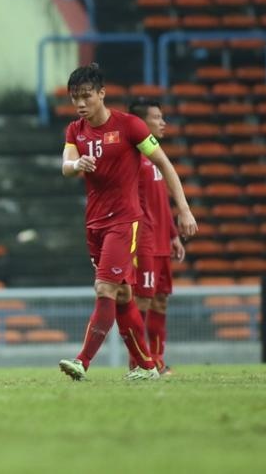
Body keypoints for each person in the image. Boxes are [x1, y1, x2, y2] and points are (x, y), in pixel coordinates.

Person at [58, 64, 197, 381]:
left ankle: (82, 361)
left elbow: (164, 163)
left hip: (124, 222)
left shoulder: (130, 126)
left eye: (86, 96)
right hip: (94, 224)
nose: (80, 103)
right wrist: (76, 164)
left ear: (102, 94)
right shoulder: (75, 130)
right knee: (122, 296)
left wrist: (184, 209)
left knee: (105, 288)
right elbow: (66, 165)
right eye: (75, 97)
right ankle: (147, 367)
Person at [129, 98, 185, 376]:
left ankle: (158, 360)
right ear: (141, 123)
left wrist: (174, 234)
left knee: (160, 300)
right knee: (142, 300)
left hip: (163, 238)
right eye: (157, 117)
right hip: (144, 240)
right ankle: (139, 361)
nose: (163, 123)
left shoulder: (155, 157)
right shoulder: (131, 158)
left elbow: (160, 200)